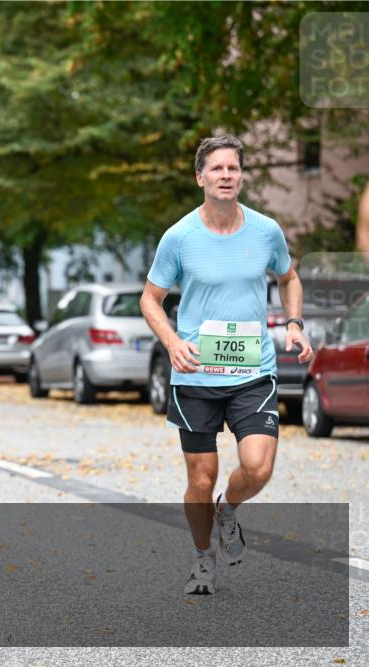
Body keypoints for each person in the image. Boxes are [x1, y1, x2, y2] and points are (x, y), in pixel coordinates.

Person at [141, 135, 313, 596]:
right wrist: (172, 340)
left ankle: (229, 509)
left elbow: (288, 276)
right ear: (200, 177)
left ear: (241, 176)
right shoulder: (178, 237)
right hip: (196, 372)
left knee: (257, 467)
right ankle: (202, 560)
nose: (225, 176)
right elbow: (150, 299)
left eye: (232, 169)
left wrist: (294, 322)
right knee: (201, 478)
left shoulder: (265, 231)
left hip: (252, 371)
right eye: (216, 169)